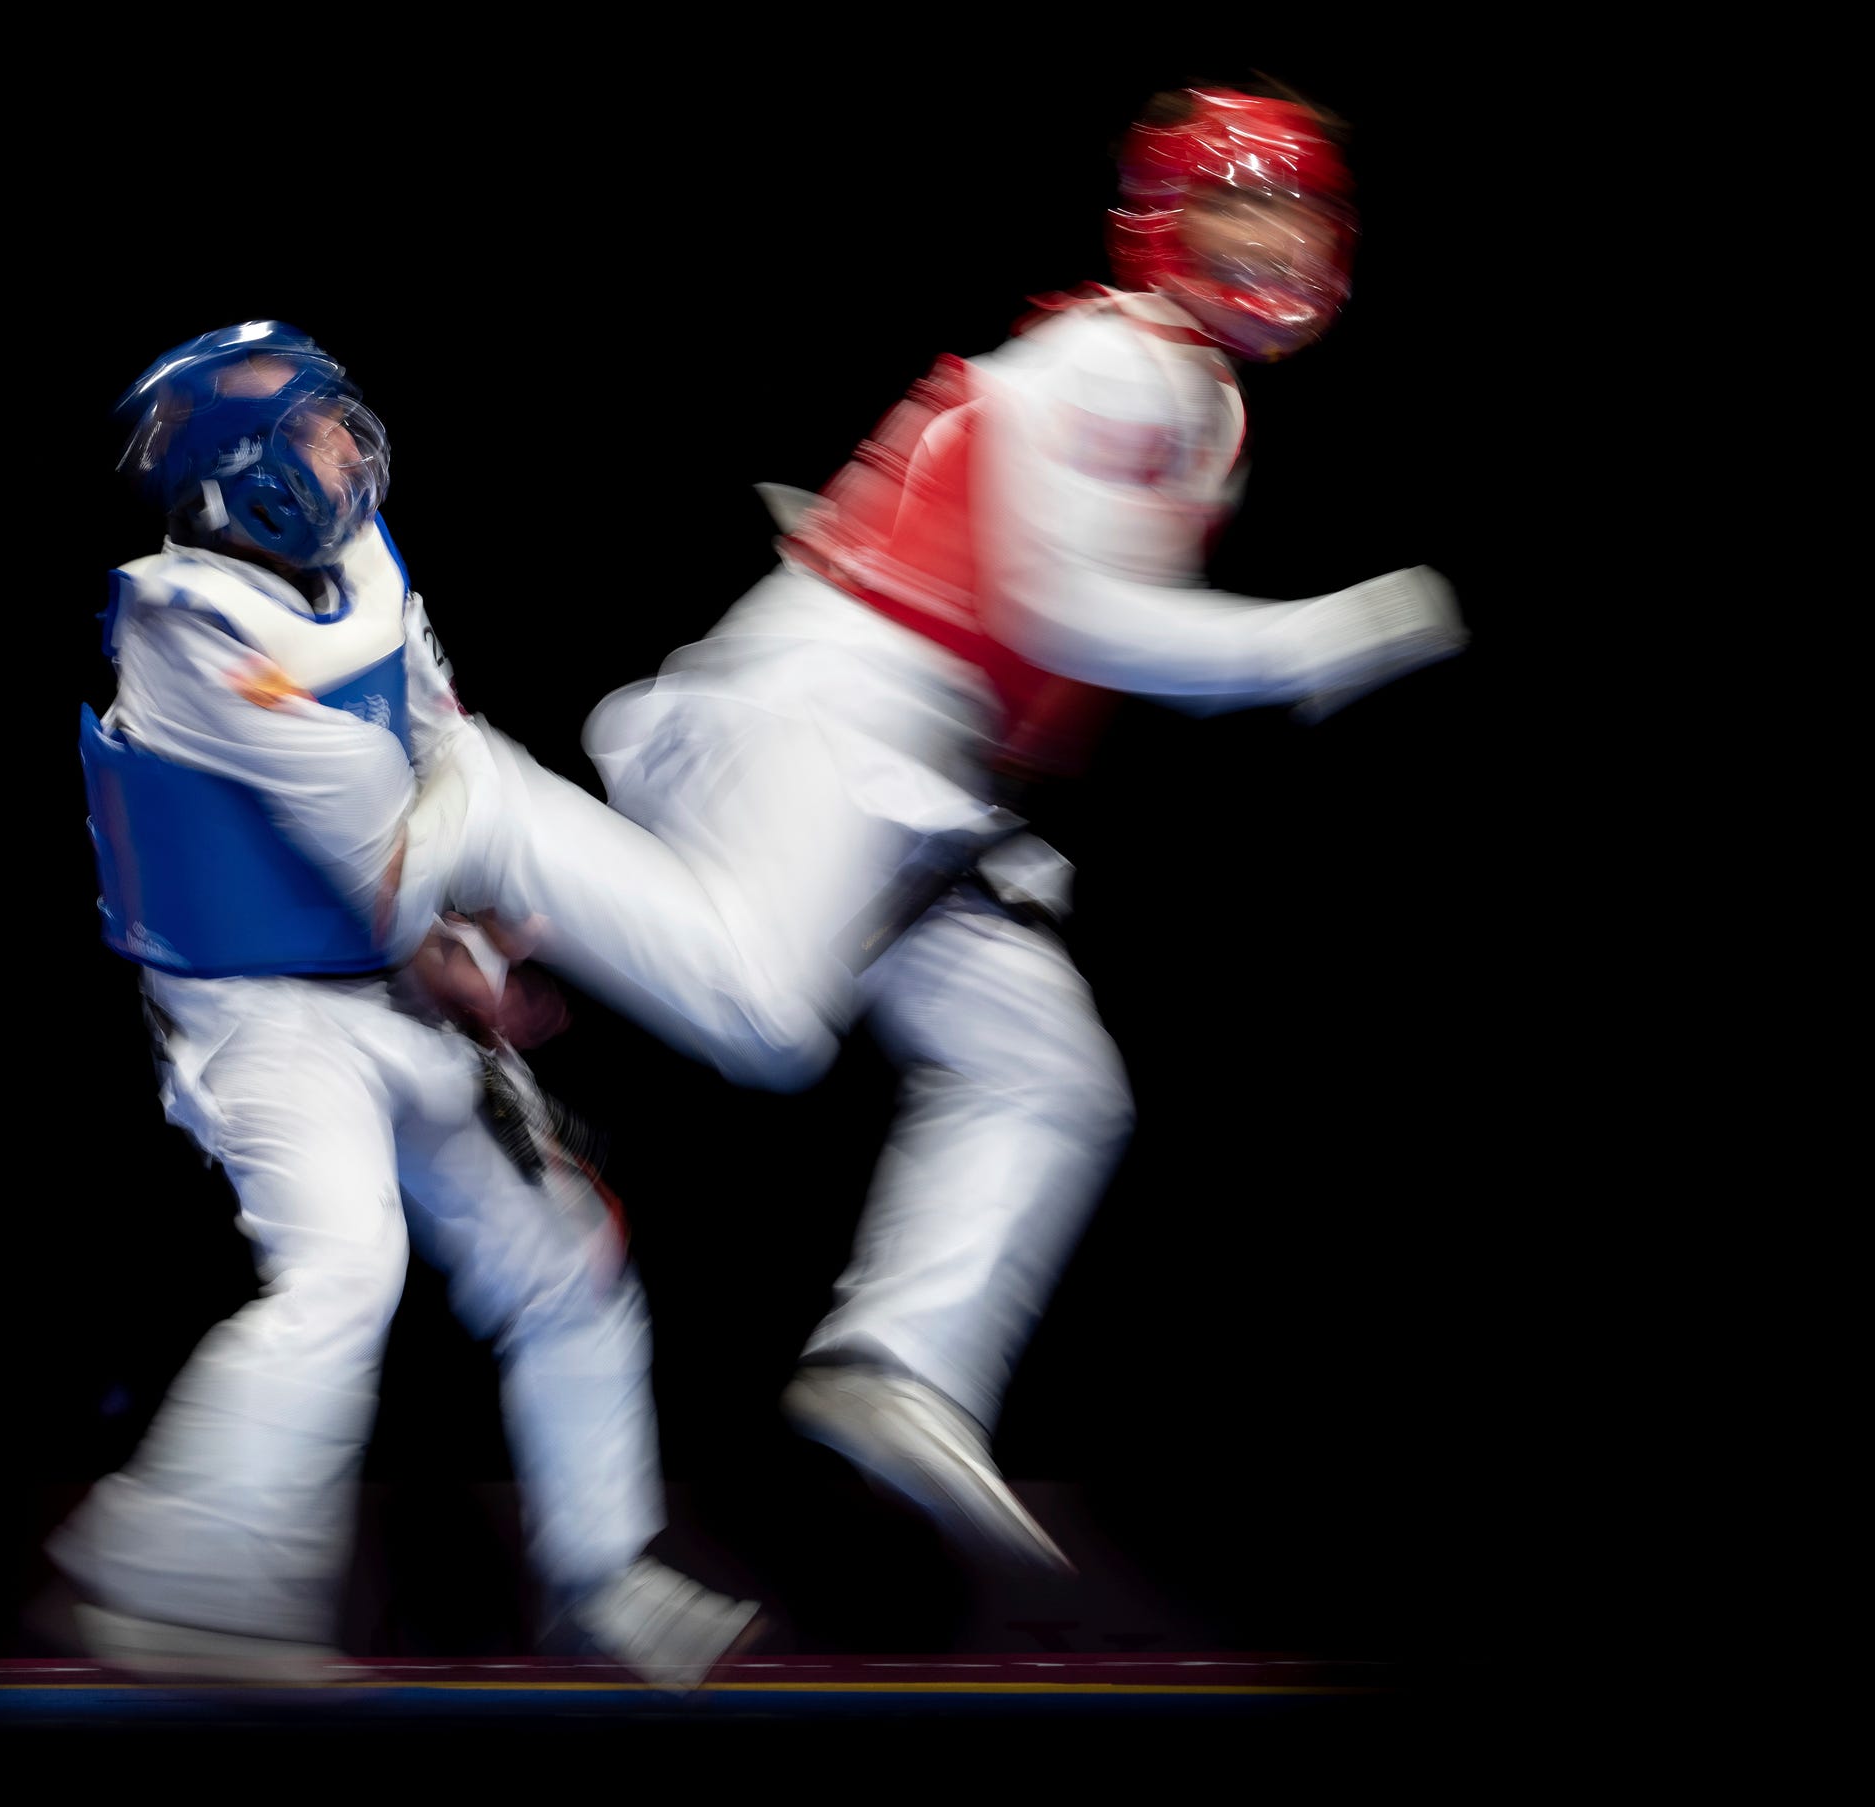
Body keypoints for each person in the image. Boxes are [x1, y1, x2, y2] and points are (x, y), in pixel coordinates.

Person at [519, 84, 1473, 1575]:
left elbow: (1030, 623)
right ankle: (482, 811)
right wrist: (1319, 638)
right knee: (764, 1016)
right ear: (1167, 222)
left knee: (1052, 1080)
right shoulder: (1119, 357)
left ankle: (899, 1363)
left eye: (1300, 213)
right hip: (828, 719)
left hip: (926, 777)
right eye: (1244, 208)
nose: (1280, 245)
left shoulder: (1188, 394)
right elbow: (1066, 612)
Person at [50, 323, 766, 1687]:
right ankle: (177, 1576)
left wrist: (467, 937)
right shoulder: (187, 630)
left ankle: (602, 1578)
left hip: (390, 991)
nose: (349, 449)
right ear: (246, 474)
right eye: (317, 432)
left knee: (569, 1262)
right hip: (262, 1021)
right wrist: (459, 892)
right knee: (345, 1269)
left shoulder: (364, 566)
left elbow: (433, 741)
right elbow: (391, 866)